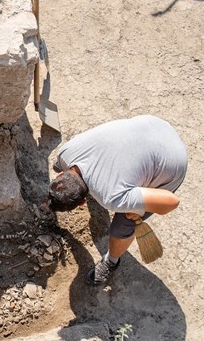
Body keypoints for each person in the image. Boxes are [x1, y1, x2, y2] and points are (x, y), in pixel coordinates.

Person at [47, 115, 187, 285]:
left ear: (83, 202)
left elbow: (171, 201)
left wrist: (137, 210)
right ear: (61, 175)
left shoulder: (112, 198)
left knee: (124, 223)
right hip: (154, 124)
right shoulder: (66, 152)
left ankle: (111, 262)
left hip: (173, 159)